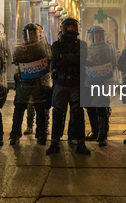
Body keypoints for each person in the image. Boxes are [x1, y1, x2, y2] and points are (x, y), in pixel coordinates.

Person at [46, 17, 90, 155]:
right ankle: (54, 143)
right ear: (64, 29)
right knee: (57, 113)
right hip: (61, 82)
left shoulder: (82, 44)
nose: (71, 29)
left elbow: (80, 59)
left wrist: (62, 57)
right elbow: (56, 58)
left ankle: (80, 143)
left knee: (78, 113)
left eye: (73, 27)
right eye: (68, 27)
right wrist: (72, 58)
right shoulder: (56, 44)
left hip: (76, 83)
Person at [10, 23, 53, 145]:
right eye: (28, 34)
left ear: (38, 34)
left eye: (33, 33)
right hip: (24, 83)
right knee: (18, 109)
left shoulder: (44, 47)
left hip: (39, 84)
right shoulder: (20, 48)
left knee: (40, 110)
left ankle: (41, 134)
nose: (31, 36)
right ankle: (14, 134)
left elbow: (49, 62)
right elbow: (16, 63)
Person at [84, 25, 116, 147]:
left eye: (100, 36)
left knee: (102, 108)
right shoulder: (88, 49)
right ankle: (95, 131)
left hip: (103, 81)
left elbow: (112, 63)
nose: (98, 38)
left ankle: (103, 135)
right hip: (90, 81)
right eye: (95, 36)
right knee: (91, 107)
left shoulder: (108, 48)